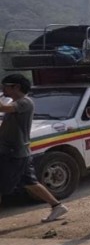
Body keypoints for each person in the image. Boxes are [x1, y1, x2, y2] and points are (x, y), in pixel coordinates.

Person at [0, 74, 69, 223]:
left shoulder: (25, 102)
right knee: (29, 182)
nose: (3, 89)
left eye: (5, 86)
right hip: (15, 152)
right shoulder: (15, 104)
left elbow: (2, 107)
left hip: (15, 153)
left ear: (16, 87)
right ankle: (57, 206)